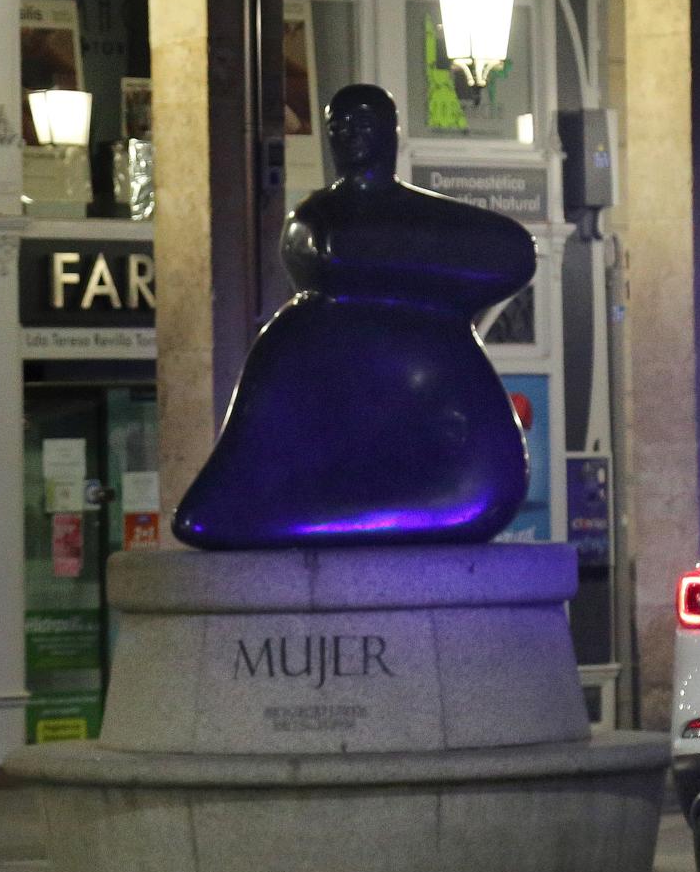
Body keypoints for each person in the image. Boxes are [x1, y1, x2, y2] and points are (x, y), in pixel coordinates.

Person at [173, 84, 535, 550]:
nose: (349, 136)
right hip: (377, 421)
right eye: (338, 128)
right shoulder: (313, 231)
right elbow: (318, 253)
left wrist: (372, 250)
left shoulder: (406, 229)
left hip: (455, 451)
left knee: (479, 497)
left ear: (391, 134)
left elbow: (514, 255)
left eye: (362, 124)